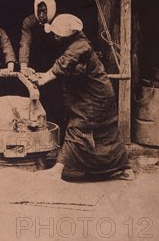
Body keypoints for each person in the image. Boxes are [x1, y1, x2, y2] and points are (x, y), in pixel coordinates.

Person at [34, 14, 134, 181]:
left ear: (68, 35)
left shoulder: (80, 46)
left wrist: (44, 78)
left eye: (58, 34)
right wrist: (44, 75)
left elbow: (64, 63)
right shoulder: (74, 43)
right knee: (106, 134)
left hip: (95, 98)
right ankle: (124, 169)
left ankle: (57, 170)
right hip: (94, 96)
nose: (55, 36)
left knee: (79, 128)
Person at [19, 0, 65, 131]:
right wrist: (23, 65)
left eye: (45, 11)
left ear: (51, 9)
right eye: (39, 11)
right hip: (36, 66)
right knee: (35, 101)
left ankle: (57, 136)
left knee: (57, 102)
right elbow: (25, 43)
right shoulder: (29, 22)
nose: (42, 15)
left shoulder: (60, 21)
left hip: (56, 66)